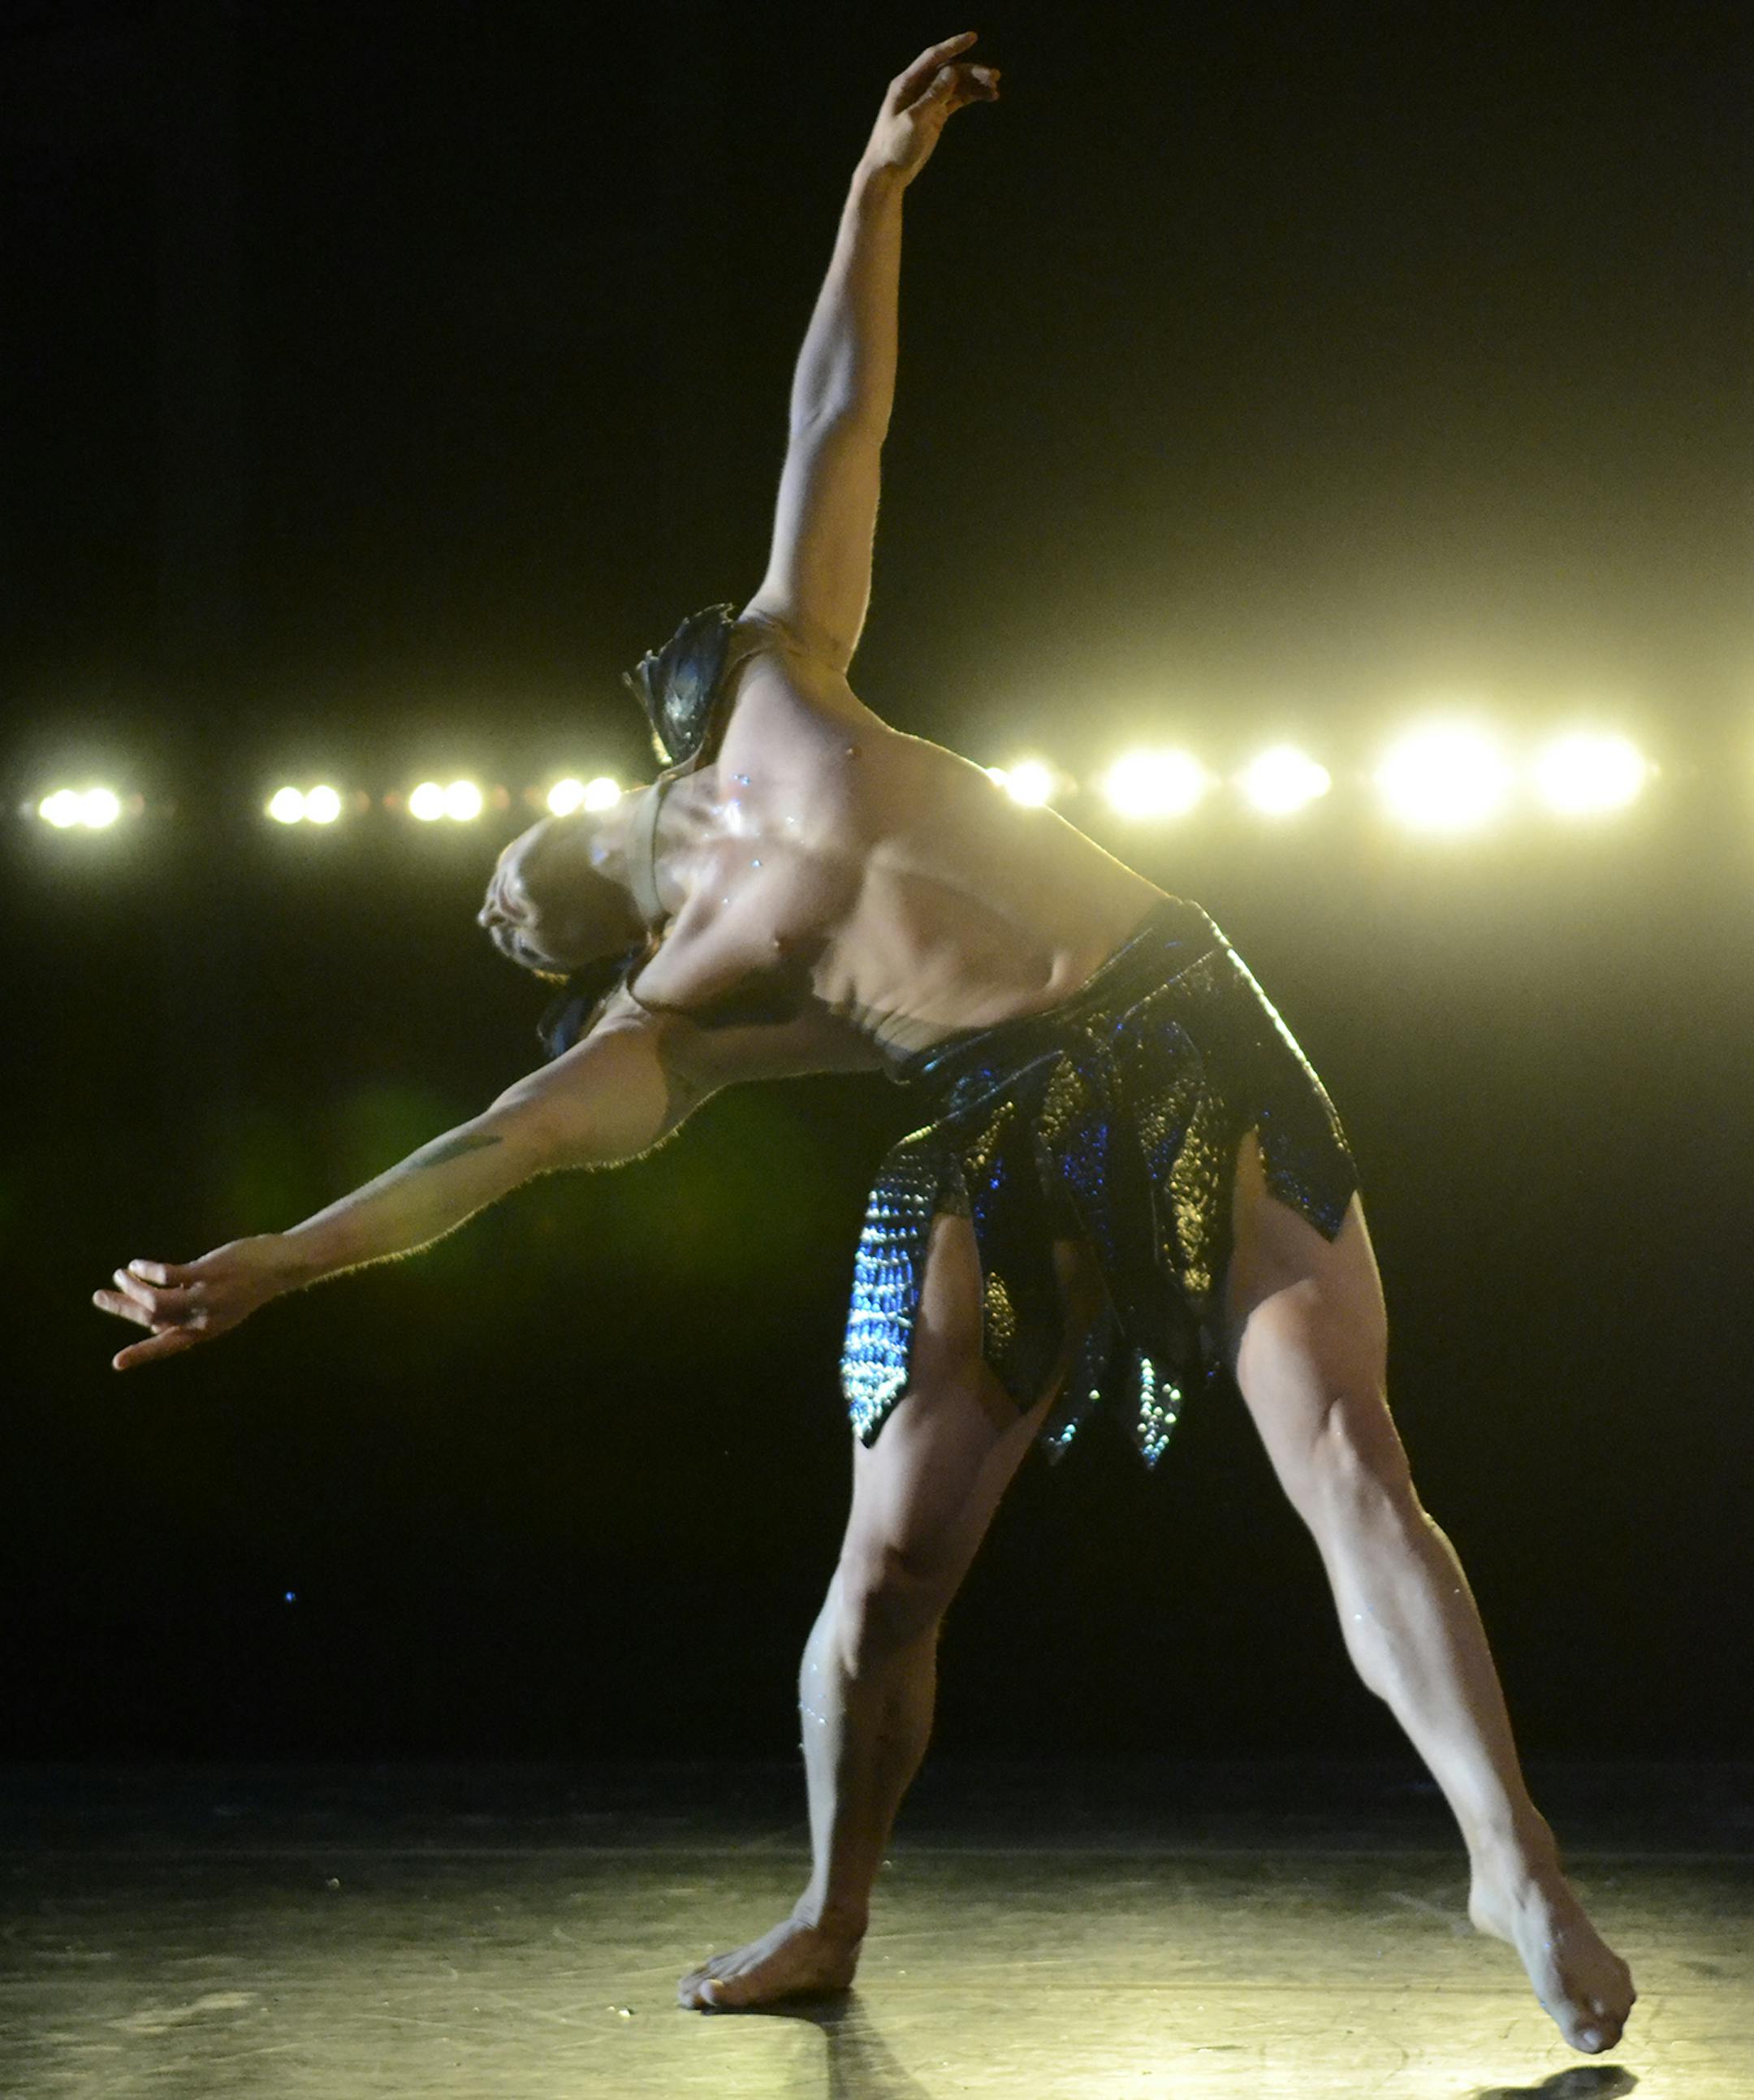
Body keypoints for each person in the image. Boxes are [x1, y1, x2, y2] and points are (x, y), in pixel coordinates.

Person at [95, 33, 1635, 2052]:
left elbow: (840, 420)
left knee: (1350, 1459)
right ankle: (831, 1909)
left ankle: (1512, 1858)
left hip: (1179, 1026)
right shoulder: (677, 1006)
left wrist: (872, 190)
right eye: (492, 939)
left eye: (495, 885)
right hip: (991, 1135)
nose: (486, 909)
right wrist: (280, 1261)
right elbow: (487, 1152)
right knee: (890, 1574)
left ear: (563, 817)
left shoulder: (765, 678)